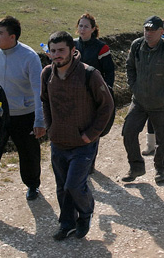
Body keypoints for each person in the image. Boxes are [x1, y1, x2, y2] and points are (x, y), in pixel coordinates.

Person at [41, 31, 113, 241]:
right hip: (58, 142)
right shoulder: (47, 74)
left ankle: (86, 213)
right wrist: (49, 127)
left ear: (73, 51)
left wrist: (91, 135)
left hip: (83, 144)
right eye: (53, 51)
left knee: (74, 186)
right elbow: (44, 101)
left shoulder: (89, 74)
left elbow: (106, 106)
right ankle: (67, 224)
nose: (57, 55)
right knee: (62, 188)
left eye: (61, 50)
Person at [0, 16, 45, 212]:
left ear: (12, 37)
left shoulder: (29, 57)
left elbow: (39, 91)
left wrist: (39, 119)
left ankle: (32, 184)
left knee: (28, 153)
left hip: (24, 115)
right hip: (1, 115)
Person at [122, 16, 164, 184]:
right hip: (139, 101)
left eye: (152, 30)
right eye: (146, 29)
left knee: (163, 138)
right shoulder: (137, 45)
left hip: (161, 105)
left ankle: (160, 169)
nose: (148, 33)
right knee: (128, 132)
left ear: (161, 32)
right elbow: (130, 67)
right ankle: (136, 167)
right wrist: (134, 88)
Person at [74, 13, 115, 172]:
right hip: (75, 93)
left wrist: (107, 91)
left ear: (93, 29)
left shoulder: (101, 47)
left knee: (92, 129)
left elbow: (109, 71)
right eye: (80, 25)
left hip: (94, 95)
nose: (82, 29)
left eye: (86, 26)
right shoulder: (72, 44)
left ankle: (89, 162)